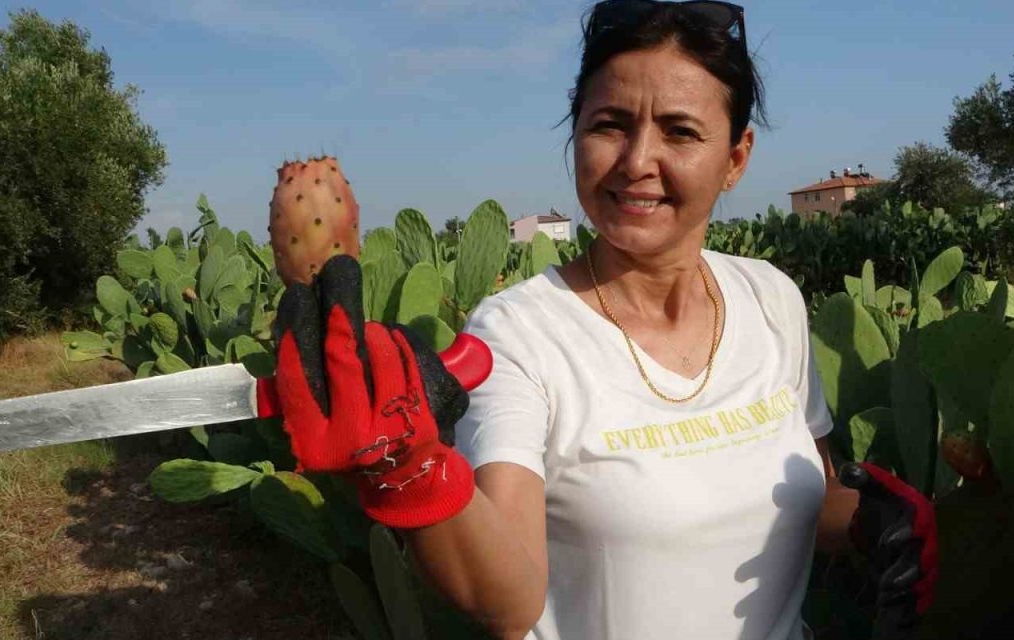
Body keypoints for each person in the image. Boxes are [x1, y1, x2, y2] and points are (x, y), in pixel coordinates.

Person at [266, 2, 937, 639]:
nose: (637, 161)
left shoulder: (771, 299)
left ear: (736, 158)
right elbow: (509, 603)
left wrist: (874, 521)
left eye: (679, 131)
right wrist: (413, 472)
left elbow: (810, 503)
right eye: (610, 125)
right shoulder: (518, 334)